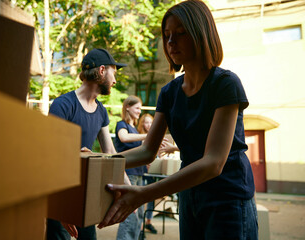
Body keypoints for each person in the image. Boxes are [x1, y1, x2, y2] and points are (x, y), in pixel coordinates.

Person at [98, 1, 258, 240]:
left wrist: (143, 193)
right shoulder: (169, 92)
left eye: (181, 33)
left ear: (201, 34)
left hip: (228, 199)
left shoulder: (225, 84)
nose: (171, 42)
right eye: (167, 35)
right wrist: (97, 161)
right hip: (190, 197)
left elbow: (214, 162)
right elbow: (146, 152)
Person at [47, 48, 127, 240]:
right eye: (113, 72)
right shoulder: (63, 105)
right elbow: (49, 153)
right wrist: (60, 204)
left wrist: (129, 189)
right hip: (61, 192)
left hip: (86, 195)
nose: (115, 80)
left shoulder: (101, 112)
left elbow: (110, 152)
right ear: (101, 71)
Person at [114, 95, 148, 240]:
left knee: (139, 213)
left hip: (140, 173)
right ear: (127, 107)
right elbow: (124, 138)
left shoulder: (135, 129)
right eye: (137, 108)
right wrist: (146, 136)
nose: (139, 111)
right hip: (128, 174)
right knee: (130, 213)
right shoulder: (122, 125)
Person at [137, 113, 158, 235]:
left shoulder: (156, 136)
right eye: (146, 122)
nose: (149, 125)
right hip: (142, 171)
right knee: (142, 198)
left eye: (151, 122)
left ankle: (148, 222)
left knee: (152, 198)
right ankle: (140, 227)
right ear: (142, 124)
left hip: (152, 172)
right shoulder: (138, 136)